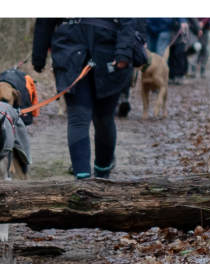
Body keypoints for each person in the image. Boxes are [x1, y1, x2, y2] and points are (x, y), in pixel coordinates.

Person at [33, 18, 135, 180]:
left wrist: (124, 49)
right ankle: (82, 182)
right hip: (70, 49)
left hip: (110, 50)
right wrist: (39, 52)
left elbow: (129, 20)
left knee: (104, 118)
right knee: (78, 117)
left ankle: (102, 174)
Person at [117, 18, 149, 118]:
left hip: (129, 36)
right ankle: (119, 98)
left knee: (127, 68)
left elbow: (140, 21)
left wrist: (142, 38)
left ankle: (123, 98)